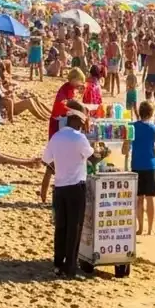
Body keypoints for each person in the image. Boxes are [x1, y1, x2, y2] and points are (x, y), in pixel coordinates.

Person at [42, 106, 106, 278]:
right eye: (83, 122)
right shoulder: (79, 138)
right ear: (77, 121)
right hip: (76, 187)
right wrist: (104, 154)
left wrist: (58, 168)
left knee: (61, 227)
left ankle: (58, 263)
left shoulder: (56, 137)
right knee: (74, 228)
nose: (84, 126)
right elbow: (93, 158)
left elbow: (45, 159)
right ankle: (70, 267)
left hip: (60, 187)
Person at [123, 101, 155, 236]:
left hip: (136, 165)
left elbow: (125, 149)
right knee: (150, 198)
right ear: (151, 114)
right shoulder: (153, 128)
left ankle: (140, 228)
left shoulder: (132, 127)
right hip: (150, 166)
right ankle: (150, 229)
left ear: (139, 112)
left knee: (139, 198)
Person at [48, 68, 85, 140]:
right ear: (73, 79)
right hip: (58, 118)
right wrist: (75, 111)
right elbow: (61, 105)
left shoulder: (70, 87)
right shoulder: (66, 88)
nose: (80, 84)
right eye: (79, 81)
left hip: (62, 116)